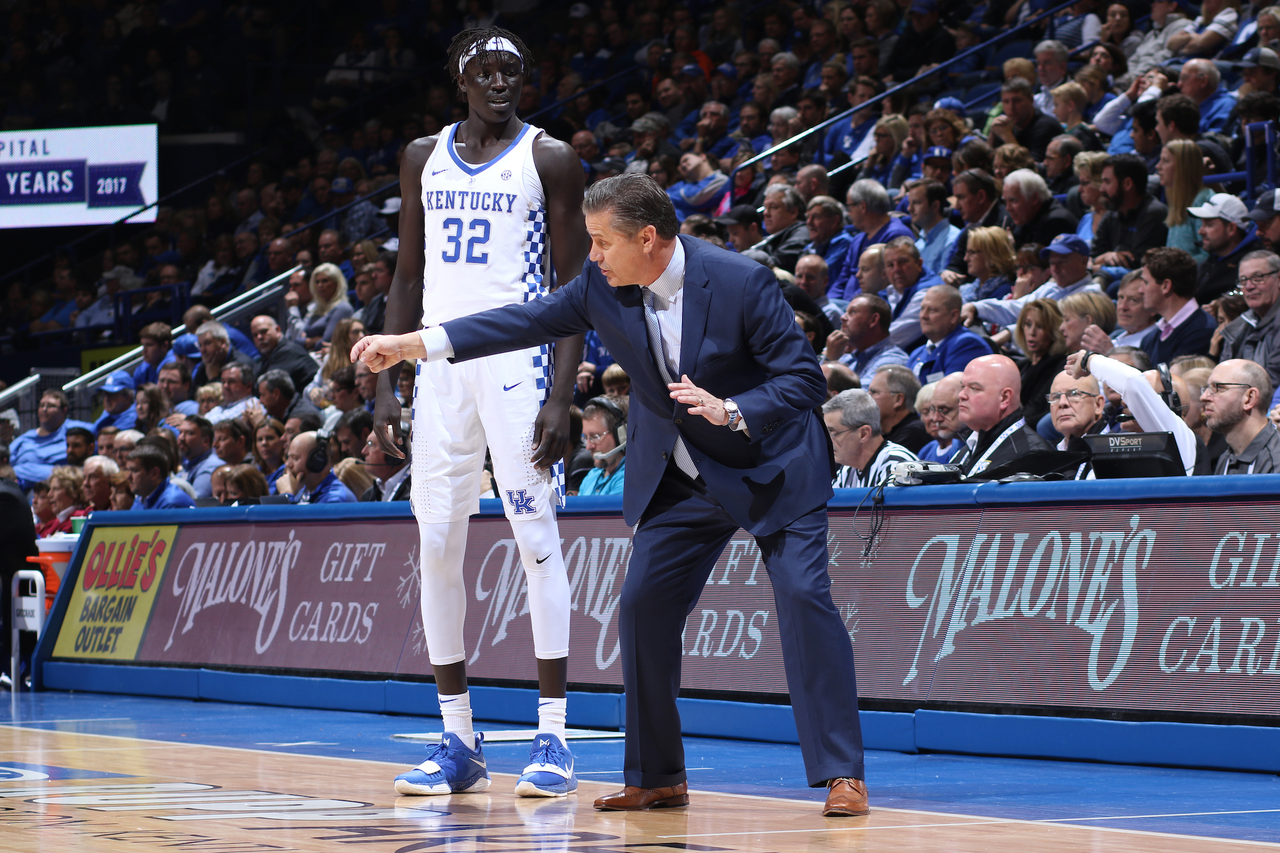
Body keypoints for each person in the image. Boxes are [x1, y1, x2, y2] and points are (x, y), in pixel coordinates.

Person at [354, 173, 870, 817]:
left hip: (771, 465)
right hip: (681, 474)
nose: (591, 256)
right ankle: (658, 777)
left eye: (601, 242)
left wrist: (732, 408)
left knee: (801, 598)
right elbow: (523, 319)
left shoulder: (741, 280)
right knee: (642, 608)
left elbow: (803, 380)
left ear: (647, 239)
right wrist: (413, 345)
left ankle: (842, 773)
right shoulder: (603, 285)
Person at [356, 29, 592, 802]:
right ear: (461, 79)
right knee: (436, 546)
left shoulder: (550, 158)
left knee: (537, 544)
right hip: (436, 370)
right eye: (486, 73)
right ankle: (459, 738)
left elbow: (572, 289)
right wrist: (390, 384)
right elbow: (407, 273)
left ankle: (553, 735)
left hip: (518, 370)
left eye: (513, 72)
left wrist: (563, 395)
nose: (501, 84)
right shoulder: (423, 155)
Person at [1066, 349, 1198, 475]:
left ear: (1166, 403)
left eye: (1142, 397)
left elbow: (1131, 381)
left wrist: (1088, 359)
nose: (1124, 402)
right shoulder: (1113, 442)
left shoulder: (1179, 437)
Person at [952, 354, 1053, 476]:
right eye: (963, 387)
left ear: (1004, 398)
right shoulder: (966, 450)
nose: (961, 395)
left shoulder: (1031, 456)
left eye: (974, 388)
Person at [824, 388, 919, 488]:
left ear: (863, 434)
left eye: (833, 432)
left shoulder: (898, 465)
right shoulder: (847, 471)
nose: (827, 440)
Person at [1137, 247, 1217, 364]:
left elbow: (1178, 381)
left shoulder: (1202, 332)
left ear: (1166, 286)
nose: (1140, 290)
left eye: (1146, 282)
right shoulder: (1150, 339)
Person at [1092, 153, 1170, 271]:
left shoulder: (1154, 213)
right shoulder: (1111, 214)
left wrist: (1101, 261)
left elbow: (1138, 262)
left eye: (1107, 182)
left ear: (1127, 184)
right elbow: (1092, 256)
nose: (1101, 189)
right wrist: (1107, 257)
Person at [1203, 359, 1280, 473]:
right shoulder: (1226, 458)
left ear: (1249, 398)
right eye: (1207, 388)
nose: (1204, 397)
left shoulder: (1276, 461)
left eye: (1219, 388)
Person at [907, 285, 992, 384]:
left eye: (932, 310)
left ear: (954, 316)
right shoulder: (917, 353)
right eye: (922, 309)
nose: (923, 316)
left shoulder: (967, 345)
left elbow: (951, 395)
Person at [1188, 193, 1263, 303]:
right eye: (1202, 224)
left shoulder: (1252, 266)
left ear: (1231, 229)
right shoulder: (1209, 262)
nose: (1201, 231)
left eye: (1209, 225)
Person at [11, 390, 93, 489]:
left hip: (61, 488)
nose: (44, 409)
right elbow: (6, 466)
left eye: (50, 406)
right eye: (41, 405)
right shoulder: (25, 438)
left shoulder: (73, 429)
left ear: (64, 411)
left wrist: (22, 469)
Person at [822, 292, 910, 378]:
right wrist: (830, 359)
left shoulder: (892, 361)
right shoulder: (847, 358)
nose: (843, 317)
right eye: (846, 312)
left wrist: (831, 361)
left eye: (853, 312)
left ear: (873, 320)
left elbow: (860, 393)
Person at [1014, 299, 1068, 427]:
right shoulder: (1020, 366)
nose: (1032, 332)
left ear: (1053, 330)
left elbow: (1036, 408)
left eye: (1040, 326)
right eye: (1028, 324)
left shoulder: (1059, 365)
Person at [1157, 139, 1210, 263]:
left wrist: (1174, 268)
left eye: (1165, 161)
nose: (1158, 166)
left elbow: (1208, 255)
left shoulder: (1202, 201)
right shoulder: (1177, 200)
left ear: (1183, 167)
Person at [1047, 370, 1107, 478]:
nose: (1062, 403)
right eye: (1055, 397)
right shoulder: (1046, 452)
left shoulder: (1113, 451)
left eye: (1074, 394)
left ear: (1098, 405)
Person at [1000, 169, 1079, 249]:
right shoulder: (1025, 218)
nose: (1008, 208)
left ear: (1034, 198)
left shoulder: (1057, 223)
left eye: (1013, 200)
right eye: (1005, 201)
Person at [868, 364, 929, 452]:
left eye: (874, 392)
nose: (867, 397)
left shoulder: (914, 433)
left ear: (898, 400)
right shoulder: (886, 432)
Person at [251, 314, 319, 392]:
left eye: (263, 331)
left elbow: (269, 386)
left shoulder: (288, 351)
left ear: (278, 330)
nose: (259, 337)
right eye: (255, 335)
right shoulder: (267, 357)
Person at [909, 181, 960, 278]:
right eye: (910, 203)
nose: (909, 208)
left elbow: (943, 285)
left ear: (935, 206)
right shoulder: (919, 243)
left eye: (916, 203)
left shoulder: (953, 240)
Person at [577, 396, 627, 496]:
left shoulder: (630, 479)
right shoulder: (591, 476)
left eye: (595, 436)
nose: (588, 447)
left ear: (621, 435)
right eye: (586, 437)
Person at [126, 444, 196, 509]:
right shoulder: (141, 499)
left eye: (135, 471)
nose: (128, 477)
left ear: (154, 473)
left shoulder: (172, 503)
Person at [917, 372, 965, 462]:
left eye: (944, 410)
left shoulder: (964, 447)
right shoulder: (926, 451)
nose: (934, 418)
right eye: (926, 412)